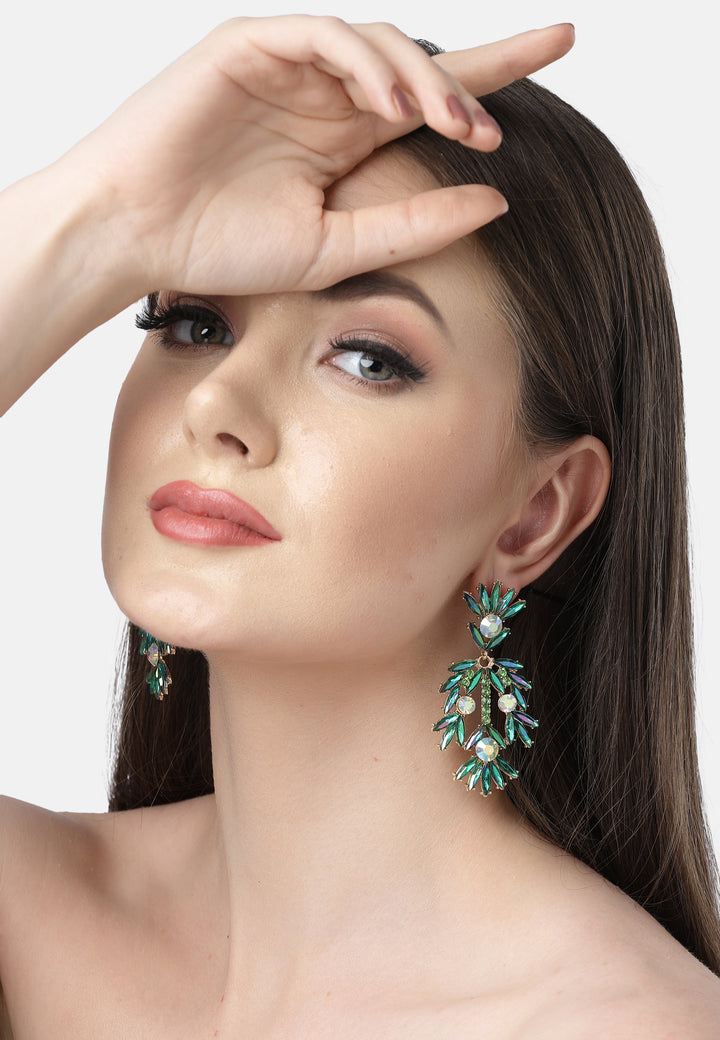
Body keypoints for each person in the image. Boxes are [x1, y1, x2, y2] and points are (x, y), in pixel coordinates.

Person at [1, 14, 719, 1038]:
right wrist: (101, 219)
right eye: (195, 323)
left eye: (368, 357)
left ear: (537, 513)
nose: (214, 403)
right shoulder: (26, 916)